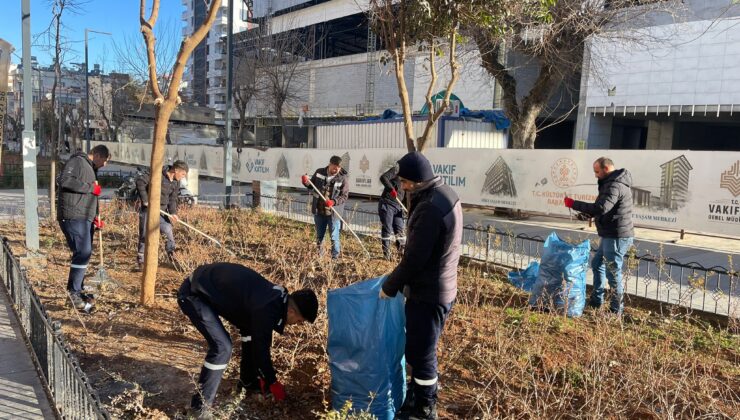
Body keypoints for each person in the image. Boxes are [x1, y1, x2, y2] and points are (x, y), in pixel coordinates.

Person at [379, 151, 462, 420]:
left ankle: (426, 408)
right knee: (416, 347)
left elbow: (414, 259)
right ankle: (414, 398)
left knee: (423, 352)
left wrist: (389, 286)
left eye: (404, 182)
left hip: (429, 293)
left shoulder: (429, 208)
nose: (401, 186)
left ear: (415, 181)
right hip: (438, 287)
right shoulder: (442, 192)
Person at [177, 263, 318, 417]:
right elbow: (261, 350)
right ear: (291, 311)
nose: (296, 325)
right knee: (222, 348)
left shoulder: (277, 300)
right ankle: (199, 408)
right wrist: (271, 381)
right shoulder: (268, 307)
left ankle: (248, 382)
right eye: (299, 321)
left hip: (206, 284)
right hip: (193, 294)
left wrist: (263, 377)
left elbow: (260, 340)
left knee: (250, 331)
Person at [564, 156, 634, 315]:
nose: (595, 175)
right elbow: (606, 210)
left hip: (616, 236)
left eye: (597, 171)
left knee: (612, 272)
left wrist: (573, 203)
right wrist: (586, 215)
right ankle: (597, 300)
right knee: (597, 265)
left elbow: (602, 207)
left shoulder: (615, 185)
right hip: (610, 234)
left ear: (606, 168)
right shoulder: (610, 183)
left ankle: (616, 310)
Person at [57, 144, 110, 313]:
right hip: (73, 215)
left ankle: (77, 291)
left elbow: (91, 198)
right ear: (98, 155)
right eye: (106, 161)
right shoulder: (78, 161)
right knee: (83, 252)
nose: (105, 165)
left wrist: (95, 217)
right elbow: (65, 181)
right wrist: (90, 188)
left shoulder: (91, 168)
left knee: (83, 253)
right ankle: (73, 293)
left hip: (84, 217)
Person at [134, 160, 189, 271]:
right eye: (183, 174)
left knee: (168, 231)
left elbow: (172, 199)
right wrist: (145, 200)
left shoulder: (176, 182)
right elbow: (140, 182)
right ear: (176, 170)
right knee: (145, 235)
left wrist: (173, 213)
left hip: (162, 212)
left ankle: (173, 258)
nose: (183, 177)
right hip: (148, 210)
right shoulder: (157, 173)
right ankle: (141, 261)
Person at [301, 155, 349, 259]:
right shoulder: (319, 172)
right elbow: (311, 185)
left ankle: (335, 259)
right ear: (330, 164)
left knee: (334, 238)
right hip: (319, 212)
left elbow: (344, 196)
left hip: (333, 214)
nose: (336, 169)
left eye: (338, 168)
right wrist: (305, 181)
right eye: (334, 167)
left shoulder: (343, 178)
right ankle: (320, 257)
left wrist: (334, 201)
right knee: (319, 237)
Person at [378, 164, 406, 260]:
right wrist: (391, 189)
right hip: (387, 203)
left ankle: (401, 252)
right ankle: (387, 253)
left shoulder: (409, 177)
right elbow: (383, 178)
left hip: (398, 206)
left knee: (400, 230)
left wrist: (407, 208)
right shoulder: (397, 170)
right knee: (387, 229)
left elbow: (405, 194)